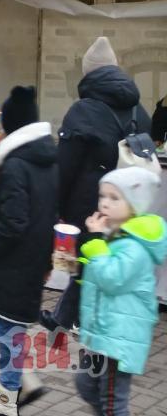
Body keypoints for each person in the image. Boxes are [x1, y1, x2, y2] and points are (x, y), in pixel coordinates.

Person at [44, 36, 153, 333]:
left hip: (87, 199)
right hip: (125, 202)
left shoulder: (83, 111)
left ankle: (74, 317)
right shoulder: (138, 110)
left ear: (88, 73)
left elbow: (65, 166)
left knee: (86, 258)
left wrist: (56, 207)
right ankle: (73, 316)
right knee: (107, 258)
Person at [0, 86, 56, 416]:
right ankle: (22, 379)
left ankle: (6, 398)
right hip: (29, 258)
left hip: (14, 258)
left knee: (8, 326)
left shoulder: (18, 164)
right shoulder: (43, 159)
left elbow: (13, 221)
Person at [75, 168, 165, 416]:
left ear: (134, 205)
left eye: (115, 198)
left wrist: (94, 243)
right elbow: (102, 272)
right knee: (86, 385)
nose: (105, 203)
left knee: (113, 400)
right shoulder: (114, 236)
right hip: (102, 331)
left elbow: (112, 279)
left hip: (119, 337)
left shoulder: (134, 247)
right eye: (103, 196)